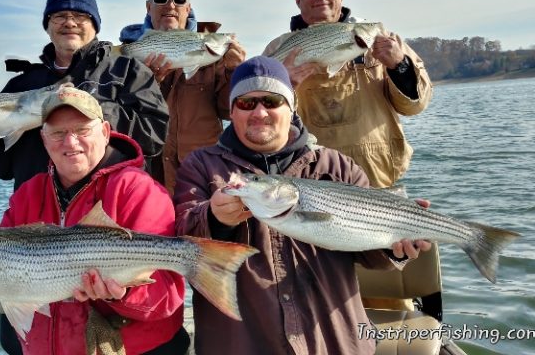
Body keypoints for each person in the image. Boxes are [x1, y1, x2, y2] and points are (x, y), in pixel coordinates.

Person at [0, 86, 189, 355]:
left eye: (82, 130)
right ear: (43, 138)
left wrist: (122, 295)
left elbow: (167, 299)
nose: (70, 142)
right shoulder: (29, 193)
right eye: (58, 132)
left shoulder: (138, 190)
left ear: (104, 131)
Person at [174, 56, 431, 354]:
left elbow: (371, 255)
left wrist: (394, 248)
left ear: (291, 106)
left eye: (272, 101)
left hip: (333, 340)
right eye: (246, 103)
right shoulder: (201, 165)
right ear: (232, 111)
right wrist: (214, 217)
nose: (259, 112)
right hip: (243, 342)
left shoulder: (337, 167)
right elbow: (181, 238)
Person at [0, 0, 169, 191]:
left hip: (110, 206)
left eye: (80, 16)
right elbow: (1, 168)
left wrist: (89, 106)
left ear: (95, 25)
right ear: (47, 26)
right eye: (59, 16)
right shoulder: (21, 85)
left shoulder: (128, 71)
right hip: (36, 214)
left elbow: (155, 138)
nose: (69, 23)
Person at [263, 0, 433, 188]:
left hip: (378, 177)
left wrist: (399, 65)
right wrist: (284, 86)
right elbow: (263, 121)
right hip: (312, 179)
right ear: (297, 0)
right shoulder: (276, 50)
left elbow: (415, 106)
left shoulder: (384, 39)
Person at [120, 0, 246, 194]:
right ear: (148, 7)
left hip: (202, 176)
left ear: (188, 8)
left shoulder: (213, 54)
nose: (170, 5)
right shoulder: (128, 54)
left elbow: (229, 112)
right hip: (148, 176)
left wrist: (235, 71)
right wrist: (147, 84)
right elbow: (120, 118)